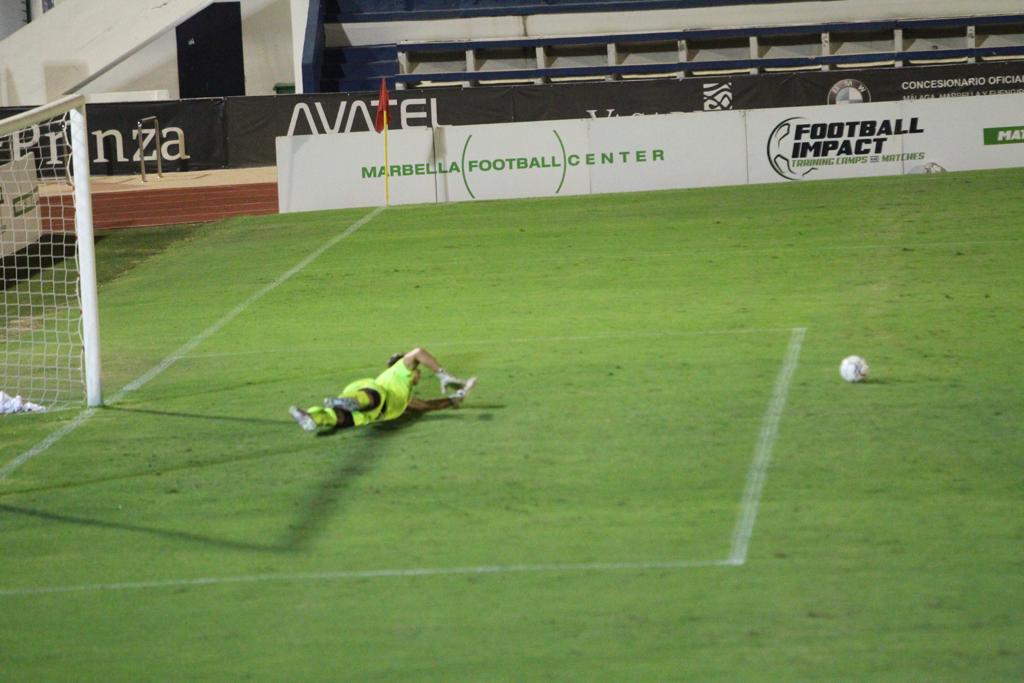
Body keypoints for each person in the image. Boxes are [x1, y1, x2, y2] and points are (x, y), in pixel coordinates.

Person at [289, 347, 476, 432]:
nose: (419, 373)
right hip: (370, 394)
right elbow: (418, 352)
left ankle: (311, 418)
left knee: (337, 417)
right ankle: (353, 402)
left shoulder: (406, 397)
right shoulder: (399, 372)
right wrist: (441, 374)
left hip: (370, 414)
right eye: (417, 370)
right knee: (374, 396)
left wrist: (458, 397)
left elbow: (427, 406)